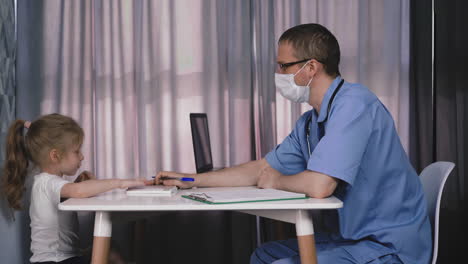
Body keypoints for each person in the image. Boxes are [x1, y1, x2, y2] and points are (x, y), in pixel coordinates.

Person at [155, 23, 431, 264]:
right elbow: (262, 168)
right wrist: (192, 179)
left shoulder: (354, 105)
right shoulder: (311, 122)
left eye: (284, 66)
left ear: (311, 67)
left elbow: (320, 186)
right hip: (350, 240)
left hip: (388, 248)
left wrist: (275, 182)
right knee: (263, 256)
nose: (279, 73)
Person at [1, 113, 151, 264]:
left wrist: (78, 182)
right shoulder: (46, 182)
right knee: (107, 251)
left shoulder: (51, 183)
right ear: (55, 156)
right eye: (76, 151)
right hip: (55, 260)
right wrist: (120, 183)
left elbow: (70, 192)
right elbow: (78, 191)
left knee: (110, 250)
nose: (82, 157)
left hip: (66, 257)